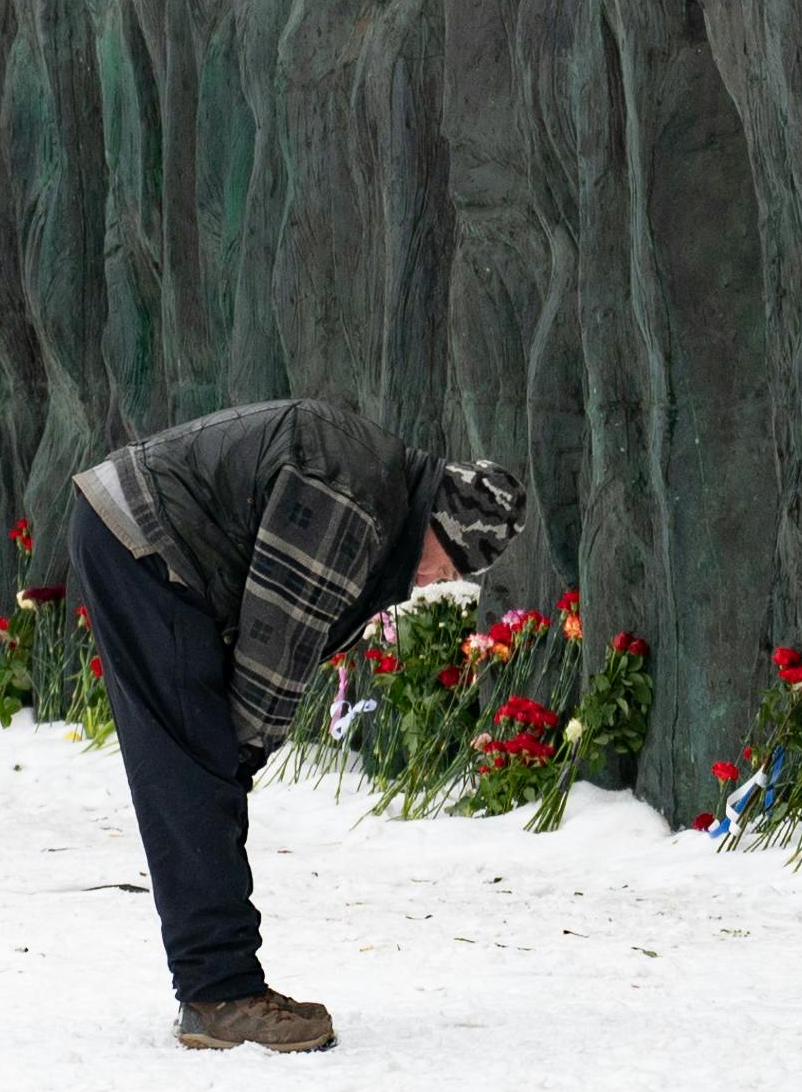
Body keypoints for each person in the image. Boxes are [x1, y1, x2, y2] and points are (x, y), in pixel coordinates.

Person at [68, 398, 524, 1050]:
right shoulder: (354, 497)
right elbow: (277, 639)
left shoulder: (378, 484)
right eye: (442, 564)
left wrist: (233, 761)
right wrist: (237, 757)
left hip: (139, 532)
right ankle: (219, 992)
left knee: (202, 765)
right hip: (146, 543)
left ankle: (224, 980)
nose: (427, 580)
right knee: (192, 770)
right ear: (440, 521)